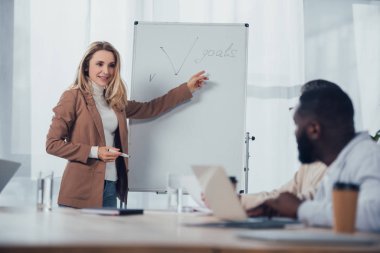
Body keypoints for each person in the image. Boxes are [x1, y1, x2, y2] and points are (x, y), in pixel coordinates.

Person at [46, 41, 208, 209]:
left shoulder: (115, 101)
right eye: (99, 64)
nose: (106, 71)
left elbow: (150, 108)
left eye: (111, 65)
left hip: (110, 187)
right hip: (80, 191)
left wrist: (187, 89)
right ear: (86, 67)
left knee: (109, 236)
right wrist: (95, 152)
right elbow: (52, 144)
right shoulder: (73, 97)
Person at [248, 80, 380, 232]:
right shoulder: (338, 165)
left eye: (297, 125)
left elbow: (375, 215)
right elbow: (326, 217)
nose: (295, 133)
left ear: (314, 129)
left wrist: (300, 209)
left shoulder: (369, 157)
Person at [241, 80, 343, 210]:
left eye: (299, 119)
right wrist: (238, 200)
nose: (295, 131)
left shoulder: (343, 164)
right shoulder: (309, 166)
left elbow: (304, 201)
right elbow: (279, 195)